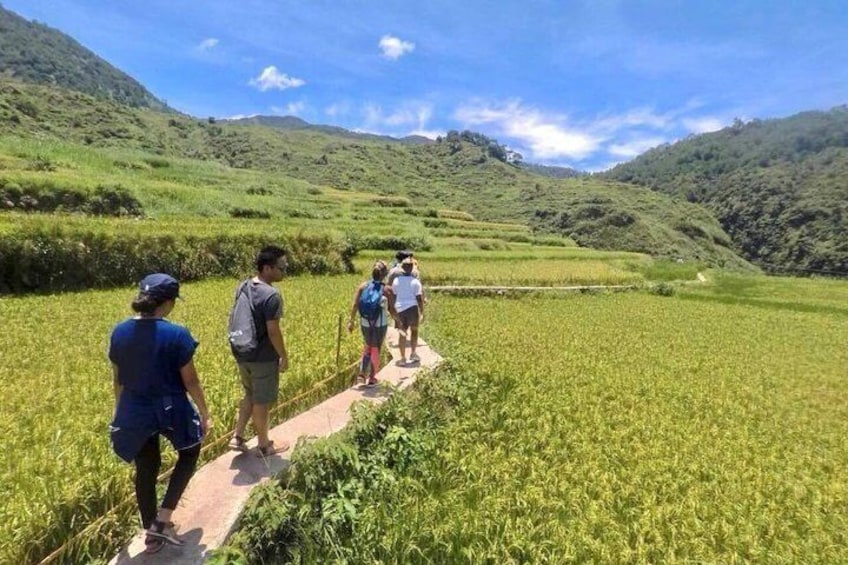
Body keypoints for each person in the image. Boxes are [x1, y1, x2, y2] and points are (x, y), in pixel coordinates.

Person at [108, 273, 212, 554]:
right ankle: (162, 521)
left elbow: (118, 379)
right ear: (166, 303)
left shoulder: (119, 332)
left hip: (134, 408)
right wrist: (204, 412)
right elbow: (190, 380)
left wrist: (119, 411)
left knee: (147, 465)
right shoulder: (177, 334)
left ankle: (151, 532)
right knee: (190, 451)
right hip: (170, 408)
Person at [229, 245, 290, 457]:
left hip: (242, 352)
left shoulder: (243, 286)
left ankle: (237, 437)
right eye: (281, 267)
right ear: (267, 268)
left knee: (249, 394)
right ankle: (264, 445)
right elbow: (273, 331)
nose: (285, 270)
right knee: (261, 402)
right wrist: (283, 355)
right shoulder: (272, 295)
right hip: (262, 357)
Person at [347, 260, 396, 387]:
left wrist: (351, 321)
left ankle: (362, 374)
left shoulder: (363, 286)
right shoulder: (387, 289)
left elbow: (355, 305)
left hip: (365, 322)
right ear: (384, 274)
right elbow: (392, 310)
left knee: (368, 345)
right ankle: (372, 378)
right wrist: (399, 320)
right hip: (380, 324)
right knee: (376, 348)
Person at [391, 257, 425, 365]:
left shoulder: (396, 281)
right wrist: (422, 312)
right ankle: (413, 353)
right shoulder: (416, 282)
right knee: (414, 331)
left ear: (402, 268)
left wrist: (393, 311)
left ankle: (402, 358)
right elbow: (419, 298)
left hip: (400, 310)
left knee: (402, 334)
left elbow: (394, 295)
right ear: (411, 268)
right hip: (412, 309)